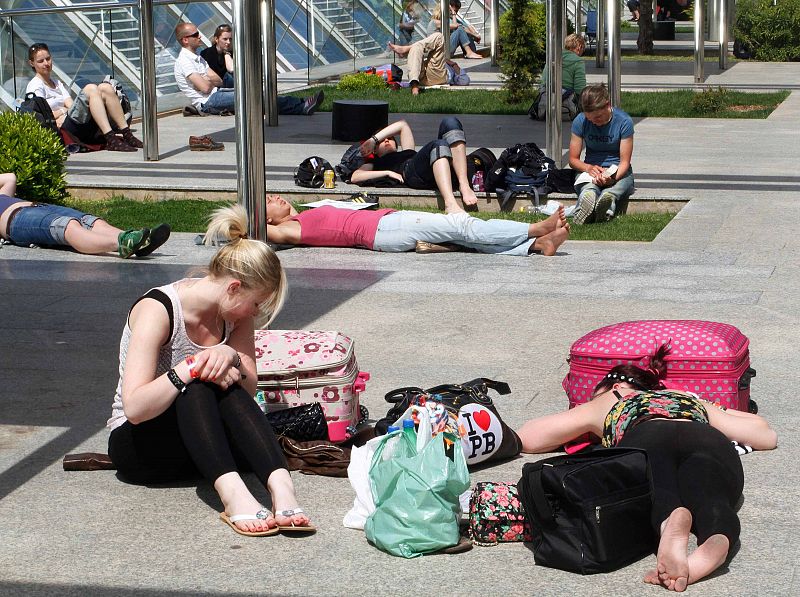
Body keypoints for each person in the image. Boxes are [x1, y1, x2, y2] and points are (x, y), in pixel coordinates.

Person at [107, 204, 315, 537]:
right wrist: (189, 368)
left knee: (224, 382)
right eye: (256, 303)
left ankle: (282, 488)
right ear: (234, 288)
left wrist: (231, 357)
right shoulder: (158, 310)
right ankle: (233, 497)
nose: (256, 312)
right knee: (198, 383)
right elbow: (134, 408)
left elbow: (248, 391)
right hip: (142, 445)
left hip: (204, 443)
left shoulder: (236, 314)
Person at [517, 344, 778, 591]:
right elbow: (766, 436)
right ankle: (717, 538)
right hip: (704, 437)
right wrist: (713, 408)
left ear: (616, 385)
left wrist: (589, 417)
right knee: (712, 495)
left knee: (656, 490)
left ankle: (669, 522)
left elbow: (527, 438)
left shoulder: (613, 397)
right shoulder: (686, 399)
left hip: (646, 435)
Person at [263, 194, 569, 256]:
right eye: (268, 201)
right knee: (462, 226)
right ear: (266, 219)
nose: (275, 197)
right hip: (384, 230)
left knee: (462, 240)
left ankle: (535, 245)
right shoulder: (291, 230)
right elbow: (258, 231)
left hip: (388, 224)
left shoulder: (304, 215)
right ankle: (534, 229)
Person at [0, 172, 170, 258]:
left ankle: (137, 240)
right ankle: (120, 244)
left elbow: (10, 178)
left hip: (39, 207)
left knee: (91, 221)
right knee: (66, 226)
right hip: (15, 220)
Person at [174, 22, 323, 116]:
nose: (200, 36)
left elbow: (218, 80)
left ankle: (300, 103)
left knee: (256, 96)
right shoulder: (185, 61)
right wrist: (207, 80)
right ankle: (301, 107)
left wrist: (206, 80)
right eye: (195, 34)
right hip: (208, 102)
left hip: (217, 93)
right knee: (253, 98)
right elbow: (206, 88)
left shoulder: (197, 58)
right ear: (185, 39)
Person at [25, 43, 143, 152]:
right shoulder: (35, 86)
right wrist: (62, 110)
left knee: (105, 87)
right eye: (41, 61)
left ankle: (127, 134)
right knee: (91, 88)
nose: (46, 63)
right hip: (63, 128)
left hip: (69, 119)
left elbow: (70, 105)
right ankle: (110, 138)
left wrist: (63, 111)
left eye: (48, 58)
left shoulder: (56, 83)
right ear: (32, 63)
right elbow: (43, 116)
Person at [352, 116, 482, 210]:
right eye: (382, 141)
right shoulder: (376, 163)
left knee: (450, 122)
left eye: (390, 138)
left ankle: (464, 184)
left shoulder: (408, 150)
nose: (386, 140)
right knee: (438, 144)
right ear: (374, 150)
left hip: (430, 166)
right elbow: (355, 177)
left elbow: (402, 125)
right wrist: (388, 172)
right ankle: (450, 203)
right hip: (411, 173)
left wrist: (374, 140)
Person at [569, 83, 635, 225]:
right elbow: (573, 160)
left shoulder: (624, 121)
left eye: (598, 117)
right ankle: (587, 200)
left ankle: (606, 204)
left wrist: (612, 178)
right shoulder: (580, 121)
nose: (594, 122)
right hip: (591, 169)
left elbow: (625, 162)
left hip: (617, 169)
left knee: (618, 186)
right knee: (587, 187)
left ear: (607, 105)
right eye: (590, 119)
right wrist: (588, 168)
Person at [388, 33, 468, 94]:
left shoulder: (452, 67)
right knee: (417, 47)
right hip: (421, 76)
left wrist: (453, 64)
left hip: (437, 77)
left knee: (439, 36)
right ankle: (415, 87)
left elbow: (464, 81)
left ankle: (406, 49)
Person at [540, 34, 587, 99]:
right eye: (583, 49)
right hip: (566, 101)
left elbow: (543, 81)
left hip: (546, 97)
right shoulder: (578, 61)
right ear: (579, 47)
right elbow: (580, 89)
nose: (583, 52)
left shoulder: (553, 57)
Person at [199, 24, 235, 89]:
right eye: (225, 39)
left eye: (230, 39)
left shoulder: (234, 53)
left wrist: (226, 53)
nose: (228, 42)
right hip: (215, 88)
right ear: (216, 39)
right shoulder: (206, 53)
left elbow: (232, 69)